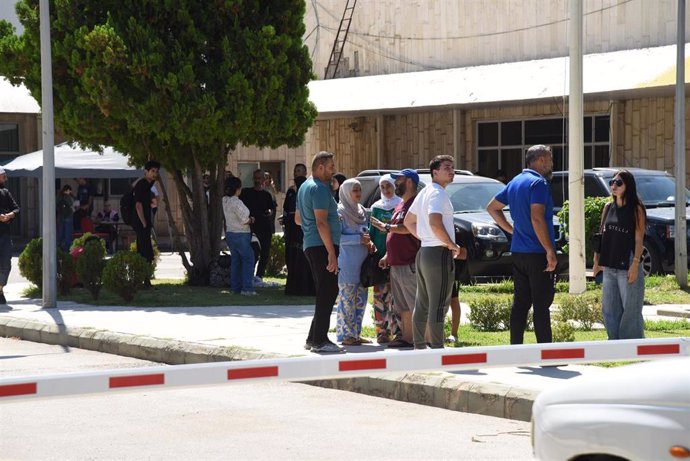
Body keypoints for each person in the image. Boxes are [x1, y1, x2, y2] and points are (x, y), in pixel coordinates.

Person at [486, 144, 557, 344]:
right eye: (550, 159)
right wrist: (549, 250)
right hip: (537, 253)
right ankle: (546, 353)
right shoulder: (539, 183)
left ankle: (515, 350)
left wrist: (512, 230)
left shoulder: (515, 181)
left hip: (518, 251)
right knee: (541, 305)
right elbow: (537, 217)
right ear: (541, 160)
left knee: (520, 304)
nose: (551, 164)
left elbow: (492, 208)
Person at [404, 155, 466, 349]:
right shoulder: (437, 193)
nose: (451, 170)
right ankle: (437, 348)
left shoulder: (425, 192)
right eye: (446, 167)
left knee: (422, 303)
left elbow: (408, 221)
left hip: (424, 252)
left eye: (453, 167)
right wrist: (451, 245)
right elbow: (434, 222)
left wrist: (425, 238)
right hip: (437, 254)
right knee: (439, 304)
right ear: (434, 172)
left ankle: (420, 346)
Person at [295, 151, 343, 353]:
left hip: (312, 244)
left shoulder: (305, 187)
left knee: (326, 290)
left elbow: (298, 219)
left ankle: (312, 337)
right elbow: (322, 222)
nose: (333, 170)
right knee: (328, 291)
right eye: (331, 167)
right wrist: (331, 252)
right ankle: (320, 341)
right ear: (320, 167)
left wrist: (309, 230)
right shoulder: (320, 189)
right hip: (322, 246)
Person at [593, 170, 646, 339]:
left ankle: (632, 343)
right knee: (609, 308)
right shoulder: (608, 207)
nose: (613, 186)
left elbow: (639, 239)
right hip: (609, 264)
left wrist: (635, 264)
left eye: (618, 183)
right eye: (612, 183)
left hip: (628, 262)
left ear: (628, 186)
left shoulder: (636, 209)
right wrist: (596, 262)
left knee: (631, 308)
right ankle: (614, 343)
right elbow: (600, 236)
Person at [376, 169, 420, 348]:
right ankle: (407, 338)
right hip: (396, 263)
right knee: (403, 305)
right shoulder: (401, 204)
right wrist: (388, 254)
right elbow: (396, 231)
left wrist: (387, 227)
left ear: (409, 181)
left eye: (399, 180)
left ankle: (419, 338)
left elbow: (408, 228)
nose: (396, 184)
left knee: (414, 302)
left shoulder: (415, 204)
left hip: (409, 262)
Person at [335, 179, 375, 346]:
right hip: (347, 263)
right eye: (355, 190)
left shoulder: (361, 212)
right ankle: (345, 335)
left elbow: (365, 233)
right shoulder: (340, 212)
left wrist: (369, 243)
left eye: (359, 190)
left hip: (362, 264)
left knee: (360, 300)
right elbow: (337, 238)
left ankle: (356, 334)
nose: (358, 193)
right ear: (346, 192)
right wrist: (358, 239)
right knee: (347, 300)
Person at [368, 174, 402, 344]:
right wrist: (373, 250)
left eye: (389, 186)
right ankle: (382, 332)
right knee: (380, 296)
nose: (386, 190)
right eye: (383, 187)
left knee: (395, 297)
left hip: (396, 257)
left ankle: (398, 331)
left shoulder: (400, 205)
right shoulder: (376, 207)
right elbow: (372, 234)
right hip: (379, 259)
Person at [283, 163, 315, 296]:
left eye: (300, 171)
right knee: (292, 255)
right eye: (296, 171)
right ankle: (293, 287)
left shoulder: (308, 189)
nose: (297, 173)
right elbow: (286, 209)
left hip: (304, 227)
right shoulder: (291, 191)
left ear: (305, 172)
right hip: (292, 228)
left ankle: (306, 287)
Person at [240, 169, 276, 287]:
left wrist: (269, 213)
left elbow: (271, 209)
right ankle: (249, 276)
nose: (257, 180)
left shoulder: (267, 195)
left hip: (264, 228)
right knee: (252, 253)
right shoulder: (246, 193)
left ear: (264, 180)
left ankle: (259, 276)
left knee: (264, 253)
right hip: (250, 228)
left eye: (259, 178)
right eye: (255, 178)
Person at [223, 177, 257, 296]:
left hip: (230, 234)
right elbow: (244, 219)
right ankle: (247, 288)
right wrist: (251, 219)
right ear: (237, 189)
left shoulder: (224, 200)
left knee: (236, 261)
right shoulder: (236, 202)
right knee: (249, 259)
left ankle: (235, 287)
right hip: (241, 234)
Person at [133, 160, 161, 285]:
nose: (155, 174)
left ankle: (144, 279)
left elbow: (150, 202)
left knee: (144, 249)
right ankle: (144, 280)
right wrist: (143, 221)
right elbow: (138, 205)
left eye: (156, 171)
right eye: (152, 171)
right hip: (141, 223)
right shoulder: (142, 184)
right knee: (145, 251)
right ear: (146, 172)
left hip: (146, 222)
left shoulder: (149, 185)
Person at [0, 167, 19, 305]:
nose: (5, 178)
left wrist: (10, 215)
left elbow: (16, 208)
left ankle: (0, 289)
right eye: (3, 175)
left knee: (6, 262)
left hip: (5, 234)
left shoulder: (5, 192)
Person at [56, 185, 74, 252]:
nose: (70, 192)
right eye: (69, 190)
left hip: (61, 216)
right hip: (68, 216)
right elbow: (71, 204)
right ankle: (66, 248)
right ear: (67, 190)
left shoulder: (59, 196)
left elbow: (57, 205)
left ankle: (58, 246)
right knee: (68, 233)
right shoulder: (67, 197)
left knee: (61, 232)